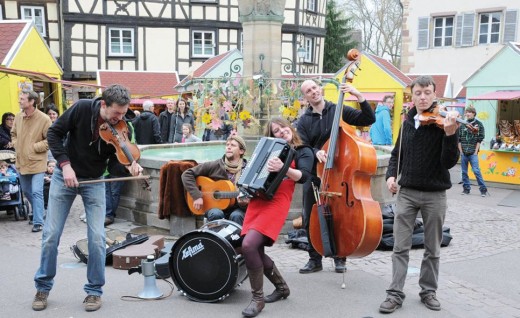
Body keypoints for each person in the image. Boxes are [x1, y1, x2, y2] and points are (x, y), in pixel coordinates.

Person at [32, 84, 143, 312]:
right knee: (51, 234)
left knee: (97, 238)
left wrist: (129, 166)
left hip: (94, 180)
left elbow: (114, 162)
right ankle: (43, 287)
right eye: (116, 114)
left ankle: (94, 291)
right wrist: (65, 165)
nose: (120, 119)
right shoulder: (82, 109)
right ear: (104, 104)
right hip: (65, 177)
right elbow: (54, 133)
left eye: (123, 114)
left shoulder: (122, 128)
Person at [379, 75, 460, 313]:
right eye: (418, 93)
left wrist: (450, 133)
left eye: (427, 92)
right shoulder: (407, 122)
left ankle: (428, 291)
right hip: (407, 192)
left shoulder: (443, 122)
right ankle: (394, 294)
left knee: (432, 248)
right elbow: (396, 154)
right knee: (399, 247)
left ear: (435, 95)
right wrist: (391, 176)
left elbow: (448, 163)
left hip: (435, 194)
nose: (422, 97)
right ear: (412, 95)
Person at [296, 79, 376, 274]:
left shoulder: (339, 110)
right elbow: (301, 146)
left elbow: (368, 119)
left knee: (340, 216)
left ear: (320, 89)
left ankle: (340, 257)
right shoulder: (304, 121)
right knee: (310, 215)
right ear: (305, 97)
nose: (313, 92)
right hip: (316, 173)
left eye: (314, 88)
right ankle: (314, 259)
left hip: (340, 171)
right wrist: (315, 152)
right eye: (308, 91)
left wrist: (359, 96)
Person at [240, 117, 313, 317]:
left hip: (277, 202)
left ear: (290, 127)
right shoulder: (270, 151)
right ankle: (282, 288)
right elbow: (255, 173)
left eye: (282, 128)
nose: (281, 132)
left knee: (248, 246)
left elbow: (305, 177)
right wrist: (245, 190)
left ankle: (258, 299)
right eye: (276, 131)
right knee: (256, 250)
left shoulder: (303, 150)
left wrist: (283, 168)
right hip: (258, 201)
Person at [181, 135, 248, 225]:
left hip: (237, 208)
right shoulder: (215, 165)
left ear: (241, 151)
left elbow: (251, 194)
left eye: (233, 145)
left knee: (237, 216)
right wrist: (197, 195)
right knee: (216, 214)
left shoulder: (248, 170)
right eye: (227, 144)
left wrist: (244, 203)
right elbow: (187, 174)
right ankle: (213, 239)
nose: (228, 147)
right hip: (214, 206)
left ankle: (237, 239)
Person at [11, 90, 52, 232]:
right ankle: (39, 212)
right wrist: (17, 144)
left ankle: (38, 222)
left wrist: (34, 147)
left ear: (31, 101)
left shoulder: (44, 119)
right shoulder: (18, 117)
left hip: (37, 161)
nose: (19, 101)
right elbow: (13, 134)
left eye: (22, 99)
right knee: (27, 191)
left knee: (36, 192)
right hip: (21, 161)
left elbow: (50, 140)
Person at [459, 106, 488, 197]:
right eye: (466, 112)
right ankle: (466, 189)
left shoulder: (479, 124)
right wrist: (461, 152)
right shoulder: (462, 123)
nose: (467, 114)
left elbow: (480, 139)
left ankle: (483, 189)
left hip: (473, 152)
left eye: (469, 112)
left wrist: (476, 151)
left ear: (473, 113)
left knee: (476, 170)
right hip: (464, 152)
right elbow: (459, 139)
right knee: (464, 172)